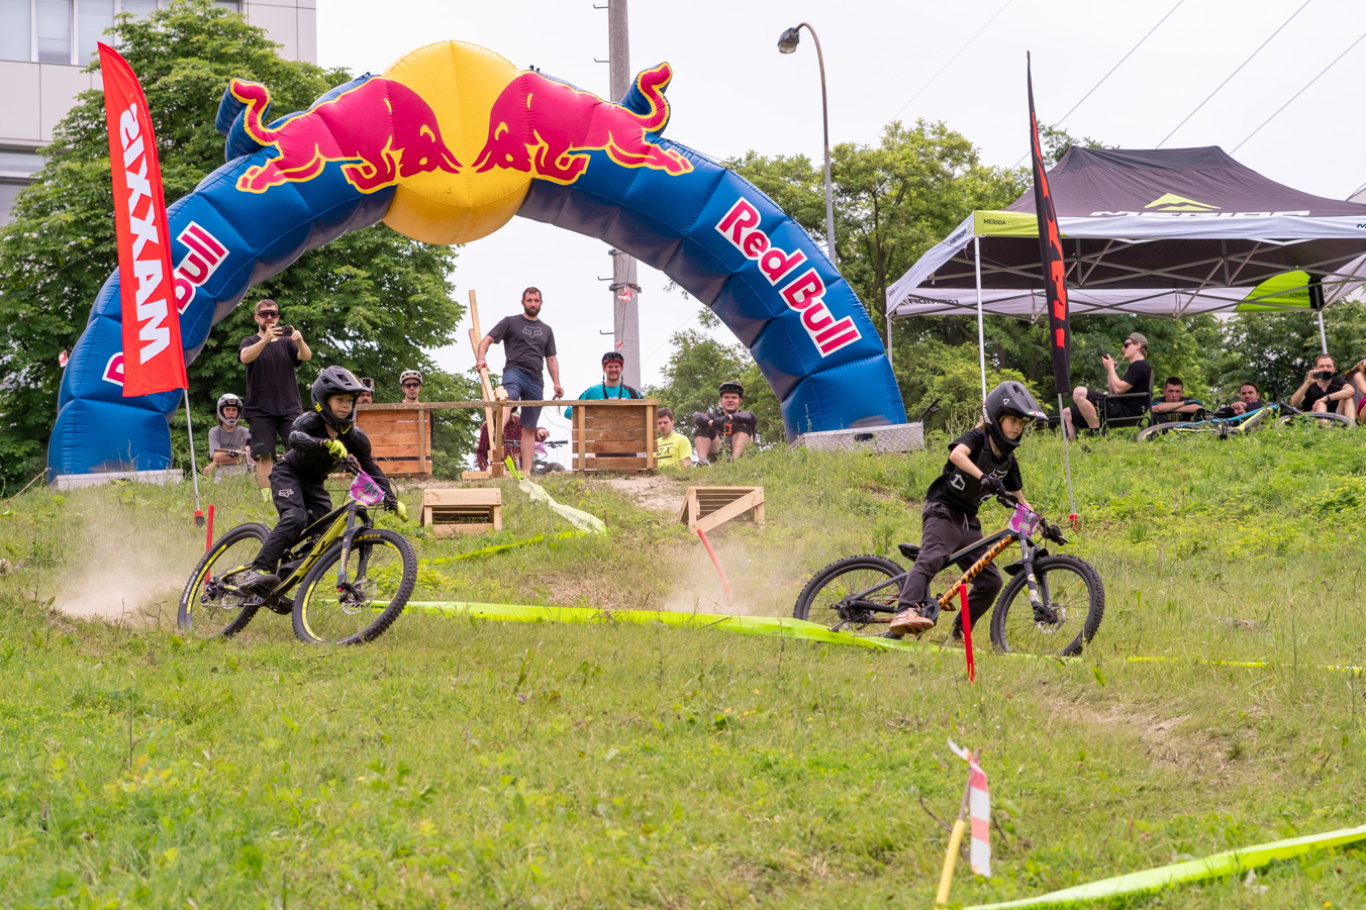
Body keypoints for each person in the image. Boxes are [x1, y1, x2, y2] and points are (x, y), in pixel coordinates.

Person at [889, 381, 1046, 640]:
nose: (1017, 427)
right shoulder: (977, 438)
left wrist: (1042, 523)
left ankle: (960, 634)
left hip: (968, 523)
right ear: (996, 418)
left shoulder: (1009, 461)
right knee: (933, 556)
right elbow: (957, 456)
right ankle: (905, 609)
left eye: (1022, 423)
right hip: (942, 510)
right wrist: (983, 476)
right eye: (1012, 420)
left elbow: (1020, 501)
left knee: (991, 582)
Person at [234, 366, 405, 593]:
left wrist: (390, 499)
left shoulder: (354, 436)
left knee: (327, 538)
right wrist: (322, 444)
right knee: (295, 518)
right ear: (324, 400)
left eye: (350, 400)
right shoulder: (311, 421)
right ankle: (259, 570)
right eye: (340, 399)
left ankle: (281, 582)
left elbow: (371, 468)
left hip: (315, 486)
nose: (346, 405)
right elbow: (295, 437)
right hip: (288, 474)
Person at [475, 287, 564, 475]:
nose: (533, 303)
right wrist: (481, 358)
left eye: (536, 300)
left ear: (541, 303)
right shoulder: (511, 322)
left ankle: (526, 473)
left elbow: (551, 359)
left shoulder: (546, 330)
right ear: (523, 302)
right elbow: (486, 340)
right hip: (514, 372)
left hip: (536, 380)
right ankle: (497, 433)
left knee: (529, 427)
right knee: (508, 399)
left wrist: (556, 382)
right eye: (529, 300)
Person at [239, 299, 312, 501]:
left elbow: (306, 357)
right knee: (264, 455)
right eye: (264, 314)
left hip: (289, 407)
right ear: (257, 318)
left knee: (299, 450)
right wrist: (265, 340)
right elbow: (245, 357)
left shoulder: (288, 343)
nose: (269, 317)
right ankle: (267, 498)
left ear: (278, 317)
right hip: (260, 409)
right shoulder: (250, 341)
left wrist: (299, 341)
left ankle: (302, 492)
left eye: (273, 314)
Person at [1062, 332, 1153, 440]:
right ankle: (1070, 451)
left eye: (1126, 345)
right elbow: (1114, 392)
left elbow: (1118, 389)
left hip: (1123, 411)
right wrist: (1111, 370)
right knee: (1066, 413)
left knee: (1079, 392)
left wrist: (1110, 367)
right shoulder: (1138, 367)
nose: (1123, 348)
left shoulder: (1140, 365)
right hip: (1117, 407)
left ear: (1138, 345)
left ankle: (1095, 435)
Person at [563, 352, 642, 421]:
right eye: (610, 367)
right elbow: (568, 412)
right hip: (598, 437)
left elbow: (648, 414)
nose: (613, 369)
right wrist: (593, 416)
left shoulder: (632, 393)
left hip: (626, 437)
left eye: (616, 366)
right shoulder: (593, 391)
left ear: (622, 368)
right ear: (604, 368)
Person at [693, 381, 757, 463]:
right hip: (718, 454)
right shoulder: (713, 416)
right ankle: (702, 462)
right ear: (721, 400)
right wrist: (712, 423)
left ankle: (735, 461)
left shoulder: (746, 416)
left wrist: (729, 417)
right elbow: (697, 416)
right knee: (702, 425)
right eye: (726, 397)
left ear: (740, 400)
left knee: (743, 423)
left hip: (741, 456)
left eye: (734, 398)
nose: (730, 400)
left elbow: (751, 416)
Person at [476, 408, 549, 471]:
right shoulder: (487, 427)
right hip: (500, 470)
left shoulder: (518, 422)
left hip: (519, 467)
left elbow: (532, 433)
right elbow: (481, 453)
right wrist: (486, 470)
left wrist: (540, 431)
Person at [1290, 353, 1356, 420]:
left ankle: (1351, 428)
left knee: (1348, 398)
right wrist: (1307, 383)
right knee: (1320, 404)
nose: (1325, 369)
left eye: (1328, 366)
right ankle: (1327, 429)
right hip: (1313, 420)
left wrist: (1326, 398)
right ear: (1315, 368)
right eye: (1321, 366)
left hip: (1337, 418)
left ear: (1334, 369)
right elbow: (1293, 403)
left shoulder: (1338, 381)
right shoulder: (1309, 384)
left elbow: (1351, 391)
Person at [203, 393, 251, 477]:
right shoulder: (214, 432)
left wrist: (217, 462)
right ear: (221, 411)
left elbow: (247, 458)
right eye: (227, 409)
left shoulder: (245, 432)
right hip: (220, 475)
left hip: (242, 473)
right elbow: (217, 458)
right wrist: (241, 452)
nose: (231, 413)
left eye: (234, 410)